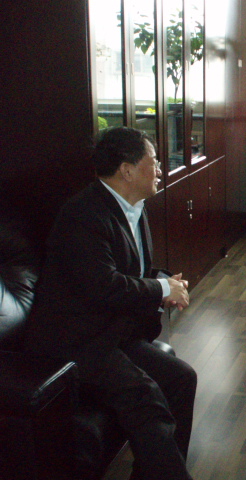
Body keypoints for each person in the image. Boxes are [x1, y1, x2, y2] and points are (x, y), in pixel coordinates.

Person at [25, 127, 197, 480]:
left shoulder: (134, 206)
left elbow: (133, 271)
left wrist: (167, 283)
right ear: (127, 170)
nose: (160, 169)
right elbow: (104, 286)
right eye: (154, 161)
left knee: (182, 378)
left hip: (110, 332)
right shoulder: (83, 215)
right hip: (75, 341)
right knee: (145, 398)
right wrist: (160, 288)